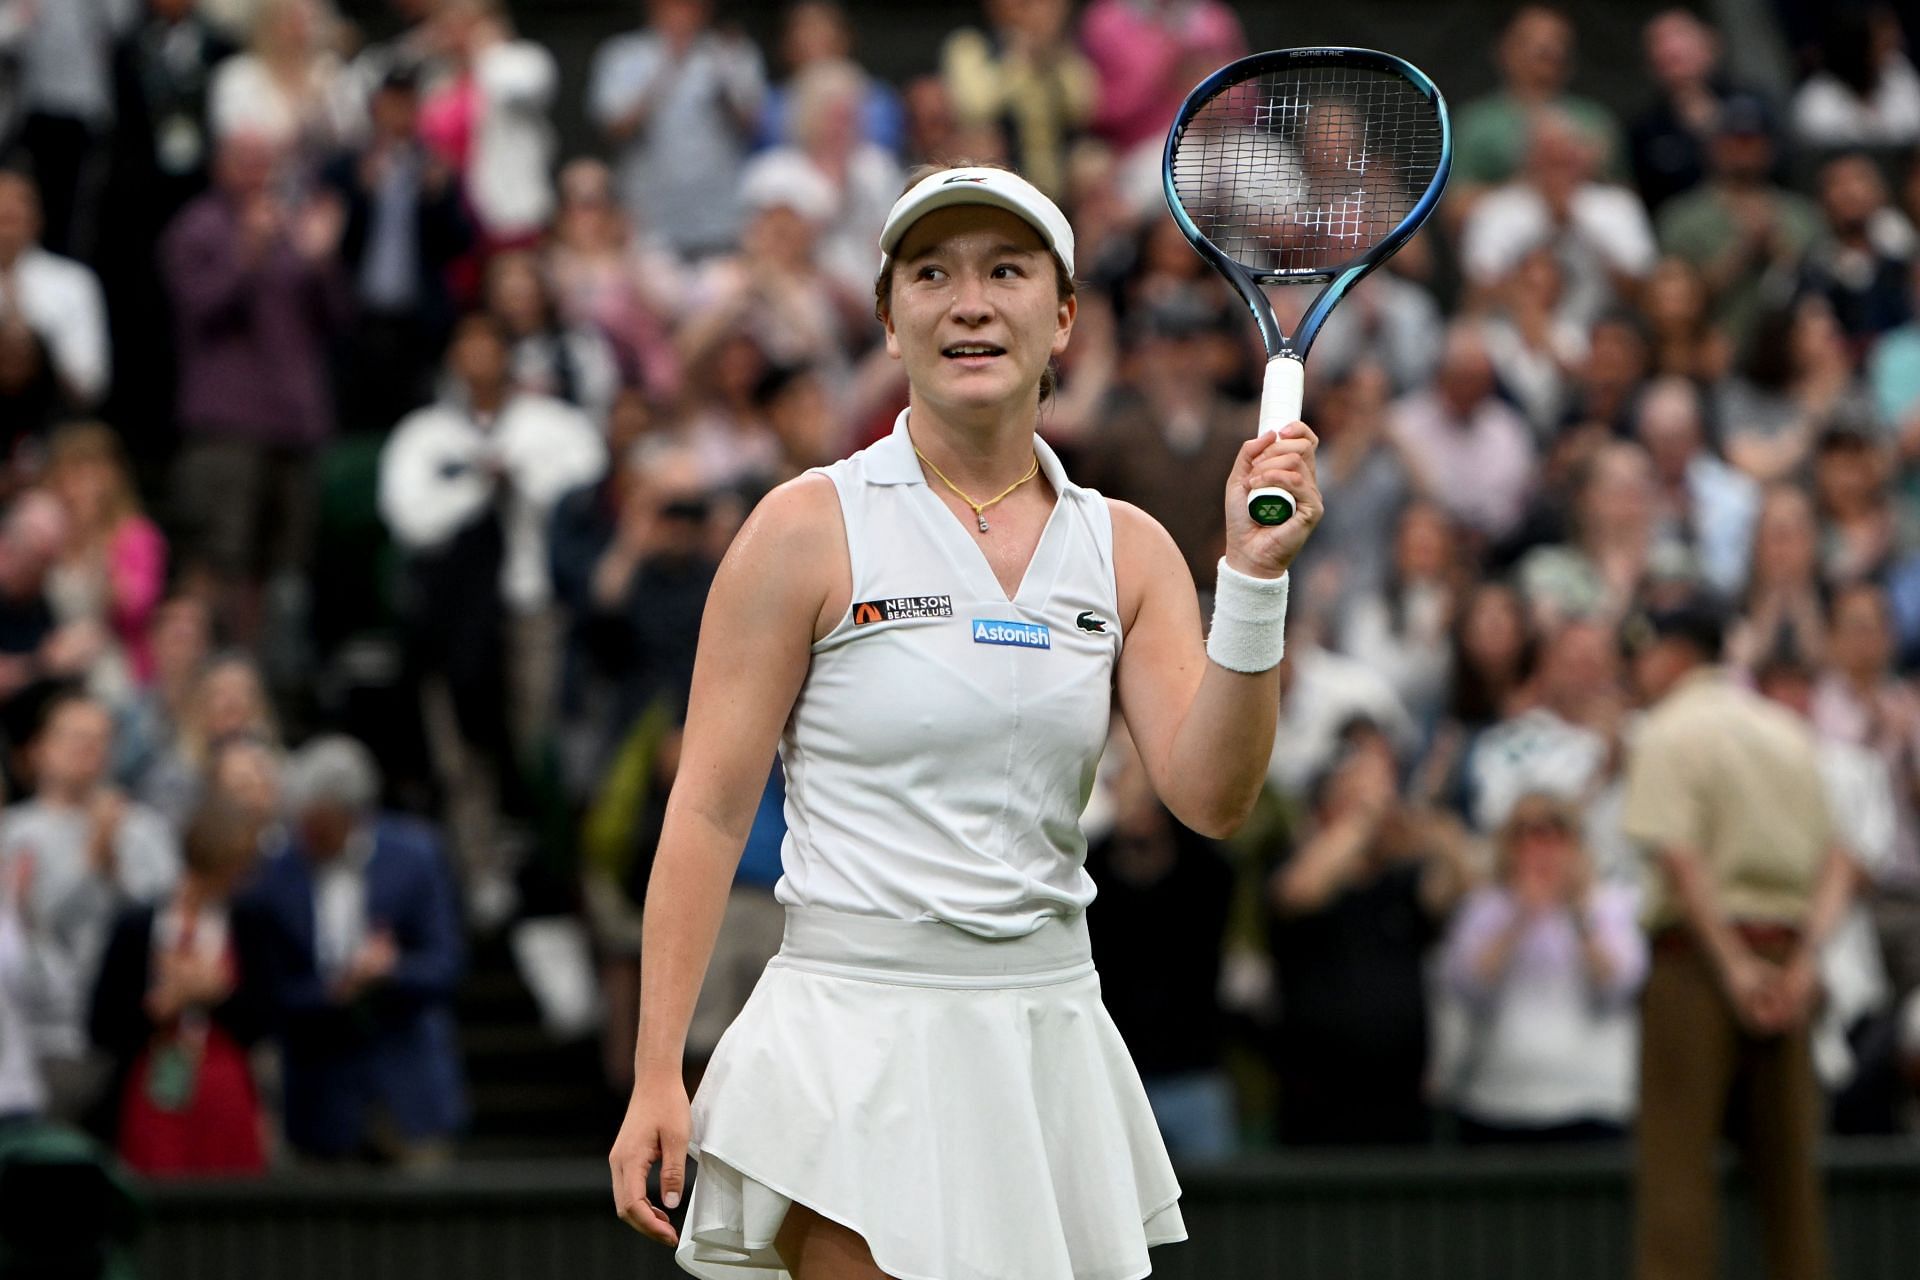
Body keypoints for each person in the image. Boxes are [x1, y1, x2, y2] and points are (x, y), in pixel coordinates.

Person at [608, 162, 1323, 1278]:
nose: (970, 302)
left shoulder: (1127, 548)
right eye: (932, 274)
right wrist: (659, 1066)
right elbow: (701, 811)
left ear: (1065, 315)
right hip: (846, 1037)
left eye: (1006, 270)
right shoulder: (803, 527)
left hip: (1046, 1041)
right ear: (890, 319)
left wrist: (1253, 577)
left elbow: (1213, 794)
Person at [1619, 597, 1857, 1280]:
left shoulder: (1667, 728)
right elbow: (1840, 859)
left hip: (1698, 964)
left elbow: (1679, 855)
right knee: (1791, 1195)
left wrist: (1731, 966)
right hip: (1788, 962)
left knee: (1676, 1185)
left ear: (1673, 655)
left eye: (1645, 653)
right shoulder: (1787, 731)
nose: (1640, 669)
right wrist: (1803, 965)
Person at [245, 734, 466, 1165]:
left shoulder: (415, 856)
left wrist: (390, 970)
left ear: (352, 815)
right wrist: (330, 993)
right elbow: (268, 990)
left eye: (317, 823)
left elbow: (447, 964)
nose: (305, 835)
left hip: (407, 1090)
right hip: (319, 1098)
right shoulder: (276, 873)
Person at [0, 693, 180, 1123]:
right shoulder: (14, 832)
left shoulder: (144, 829)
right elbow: (25, 930)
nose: (88, 750)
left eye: (99, 739)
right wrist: (89, 865)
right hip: (39, 1039)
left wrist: (114, 870)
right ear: (39, 749)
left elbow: (167, 920)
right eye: (74, 738)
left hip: (131, 1028)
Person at [1441, 790, 1646, 1144]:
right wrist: (1518, 917)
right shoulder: (1484, 907)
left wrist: (1577, 913)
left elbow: (1620, 985)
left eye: (1556, 837)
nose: (1541, 851)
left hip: (1592, 1104)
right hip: (1498, 1104)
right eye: (1526, 837)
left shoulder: (1612, 904)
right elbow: (1466, 987)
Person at [87, 795, 274, 1175]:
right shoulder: (139, 927)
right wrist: (160, 1006)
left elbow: (264, 1019)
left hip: (224, 1086)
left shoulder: (250, 924)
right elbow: (101, 1024)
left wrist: (217, 995)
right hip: (154, 1082)